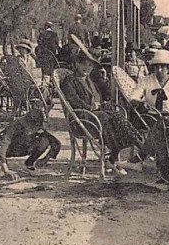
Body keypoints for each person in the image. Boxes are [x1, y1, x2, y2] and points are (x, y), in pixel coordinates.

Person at [60, 39, 143, 175]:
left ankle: (136, 142)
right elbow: (74, 102)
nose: (86, 68)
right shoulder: (70, 81)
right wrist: (92, 107)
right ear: (76, 64)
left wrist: (102, 101)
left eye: (90, 66)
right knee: (105, 117)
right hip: (81, 120)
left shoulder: (89, 81)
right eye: (83, 65)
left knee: (115, 113)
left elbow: (101, 96)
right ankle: (117, 156)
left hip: (93, 117)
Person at [130, 49, 169, 185]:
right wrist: (140, 102)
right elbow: (134, 96)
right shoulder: (146, 81)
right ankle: (164, 176)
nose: (160, 70)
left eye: (163, 67)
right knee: (161, 129)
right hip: (149, 117)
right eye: (157, 67)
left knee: (162, 130)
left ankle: (142, 156)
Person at [0, 106, 62, 177]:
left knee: (44, 141)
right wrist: (6, 170)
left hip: (24, 147)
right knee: (1, 147)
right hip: (11, 148)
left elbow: (56, 143)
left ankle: (30, 164)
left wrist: (46, 158)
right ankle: (0, 166)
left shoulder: (38, 126)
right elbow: (1, 145)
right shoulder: (15, 125)